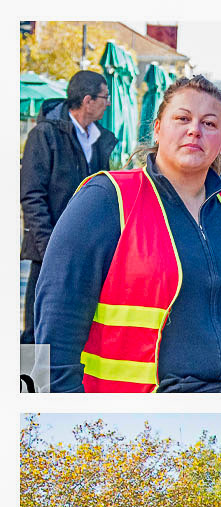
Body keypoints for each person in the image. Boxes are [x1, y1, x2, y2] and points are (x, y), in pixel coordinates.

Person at [34, 75, 221, 392]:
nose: (195, 130)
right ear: (158, 128)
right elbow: (55, 318)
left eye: (210, 123)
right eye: (182, 118)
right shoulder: (108, 197)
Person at [21, 71, 116, 339]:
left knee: (74, 330)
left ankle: (65, 382)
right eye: (104, 97)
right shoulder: (45, 134)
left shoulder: (99, 140)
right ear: (88, 100)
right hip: (48, 252)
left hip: (86, 253)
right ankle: (30, 383)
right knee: (37, 333)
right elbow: (31, 195)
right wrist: (49, 246)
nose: (108, 103)